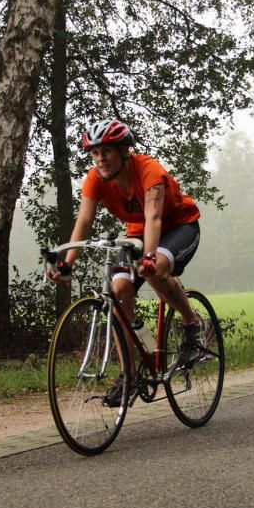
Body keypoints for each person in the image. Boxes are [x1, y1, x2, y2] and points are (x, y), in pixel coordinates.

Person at [48, 117, 203, 406]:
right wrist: (67, 263)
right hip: (136, 234)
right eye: (94, 153)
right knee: (118, 292)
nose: (100, 159)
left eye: (106, 151)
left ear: (123, 150)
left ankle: (192, 323)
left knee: (154, 269)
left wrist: (148, 257)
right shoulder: (95, 179)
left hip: (178, 226)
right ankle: (131, 374)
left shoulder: (148, 170)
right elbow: (84, 221)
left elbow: (154, 218)